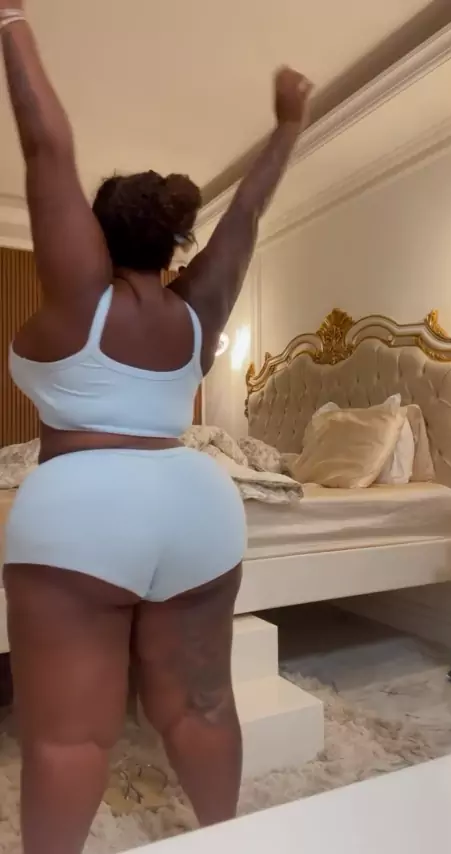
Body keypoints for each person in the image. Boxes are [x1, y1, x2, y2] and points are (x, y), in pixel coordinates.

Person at [0, 4, 313, 853]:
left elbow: (46, 148)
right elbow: (248, 213)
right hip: (196, 508)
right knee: (204, 705)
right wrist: (289, 124)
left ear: (95, 237)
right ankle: (224, 841)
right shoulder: (197, 308)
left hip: (81, 513)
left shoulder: (81, 296)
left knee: (68, 739)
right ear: (173, 246)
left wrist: (13, 17)